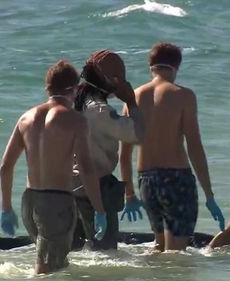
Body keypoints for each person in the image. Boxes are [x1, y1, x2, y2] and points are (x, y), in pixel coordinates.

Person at [0, 60, 107, 274]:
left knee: (55, 264)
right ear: (74, 90)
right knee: (46, 270)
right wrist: (100, 210)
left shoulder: (26, 118)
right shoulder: (75, 120)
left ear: (48, 88)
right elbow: (85, 168)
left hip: (30, 202)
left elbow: (5, 166)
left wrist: (6, 209)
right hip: (56, 203)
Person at [119, 42, 225, 252]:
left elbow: (124, 153)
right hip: (177, 180)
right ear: (176, 66)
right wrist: (209, 195)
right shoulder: (183, 96)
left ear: (151, 66)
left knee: (159, 247)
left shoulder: (133, 98)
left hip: (147, 181)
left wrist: (129, 193)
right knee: (177, 252)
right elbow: (194, 146)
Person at [72, 50, 145, 250]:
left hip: (67, 188)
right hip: (96, 190)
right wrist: (131, 102)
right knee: (105, 252)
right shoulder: (101, 111)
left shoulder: (73, 101)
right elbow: (139, 134)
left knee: (74, 253)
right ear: (111, 80)